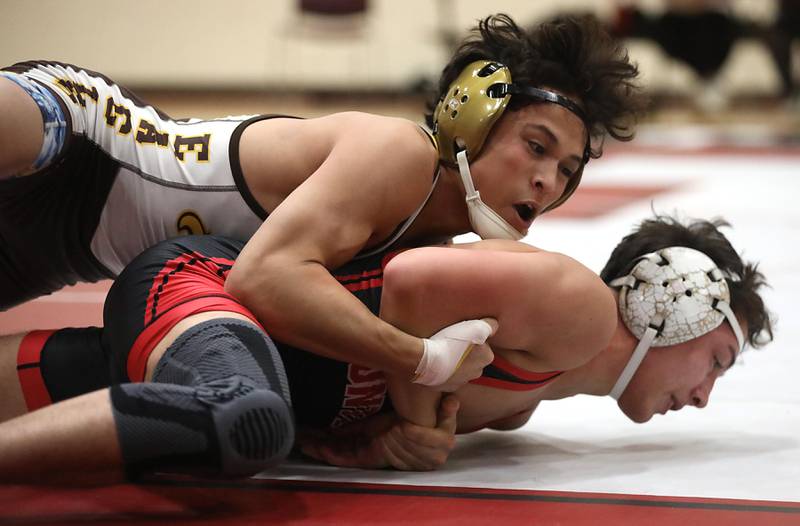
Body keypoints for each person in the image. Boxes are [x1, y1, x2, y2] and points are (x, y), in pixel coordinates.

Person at [0, 13, 646, 401]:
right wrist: (416, 359)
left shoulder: (430, 253)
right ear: (468, 116)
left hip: (67, 249)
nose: (546, 182)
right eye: (537, 146)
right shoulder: (399, 156)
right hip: (84, 138)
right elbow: (265, 277)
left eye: (566, 170)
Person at [0, 214, 773, 483]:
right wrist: (416, 408)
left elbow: (347, 417)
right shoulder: (572, 306)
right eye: (715, 361)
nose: (703, 396)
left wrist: (380, 447)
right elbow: (406, 283)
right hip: (207, 288)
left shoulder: (518, 410)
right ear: (672, 305)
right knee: (245, 418)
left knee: (220, 416)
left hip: (207, 342)